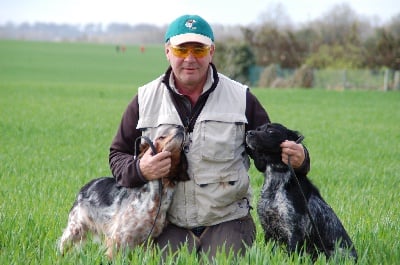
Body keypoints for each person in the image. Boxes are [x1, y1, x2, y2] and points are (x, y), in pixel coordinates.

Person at [109, 14, 310, 260]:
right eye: (182, 50)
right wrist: (140, 169)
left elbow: (271, 149)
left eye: (199, 49)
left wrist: (300, 159)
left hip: (227, 220)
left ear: (211, 51)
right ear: (167, 51)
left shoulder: (240, 98)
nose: (190, 58)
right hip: (166, 223)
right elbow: (117, 154)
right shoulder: (144, 99)